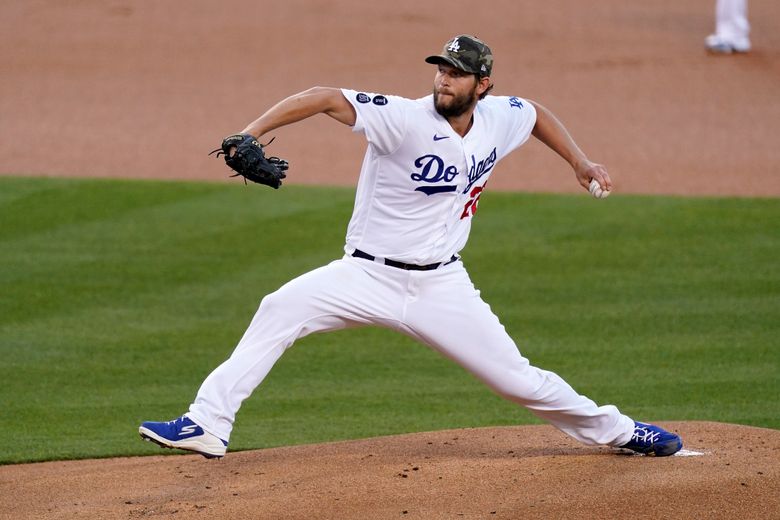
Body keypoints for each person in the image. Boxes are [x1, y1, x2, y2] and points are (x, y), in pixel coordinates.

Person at [139, 35, 683, 459]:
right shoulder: (401, 118)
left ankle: (618, 430)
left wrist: (580, 162)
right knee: (279, 308)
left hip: (441, 285)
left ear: (483, 84)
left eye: (457, 74)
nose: (444, 81)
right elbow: (325, 97)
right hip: (364, 278)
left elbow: (535, 112)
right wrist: (249, 132)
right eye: (441, 70)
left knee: (518, 380)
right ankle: (208, 423)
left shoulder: (498, 119)